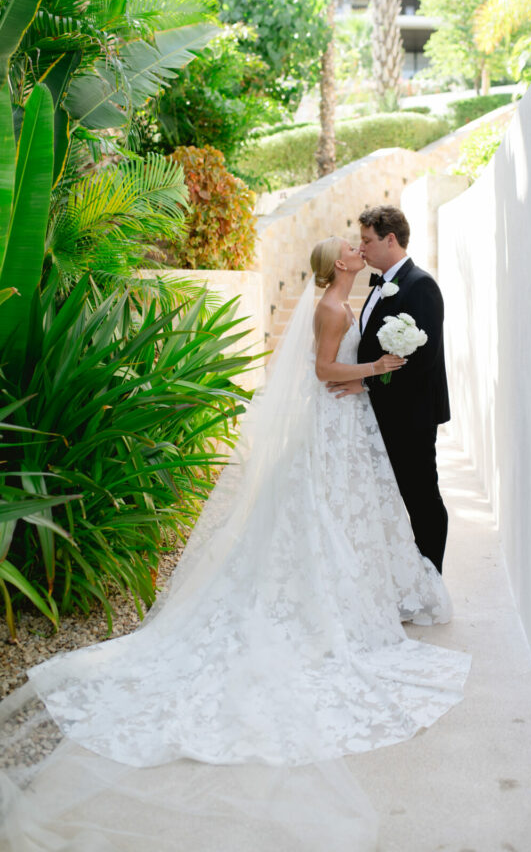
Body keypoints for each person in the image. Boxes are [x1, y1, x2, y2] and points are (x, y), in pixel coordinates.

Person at [0, 238, 470, 852]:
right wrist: (376, 370)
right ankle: (321, 602)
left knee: (344, 518)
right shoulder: (331, 308)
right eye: (349, 249)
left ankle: (348, 590)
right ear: (339, 266)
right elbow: (326, 371)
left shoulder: (343, 299)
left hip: (345, 422)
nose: (358, 248)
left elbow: (332, 375)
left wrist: (365, 381)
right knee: (320, 518)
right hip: (332, 427)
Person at [329, 207, 450, 573]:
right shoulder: (382, 284)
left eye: (367, 240)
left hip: (411, 415)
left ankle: (432, 579)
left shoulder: (420, 285)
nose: (362, 249)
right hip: (382, 412)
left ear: (390, 239)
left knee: (421, 498)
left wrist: (363, 381)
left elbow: (422, 361)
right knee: (390, 499)